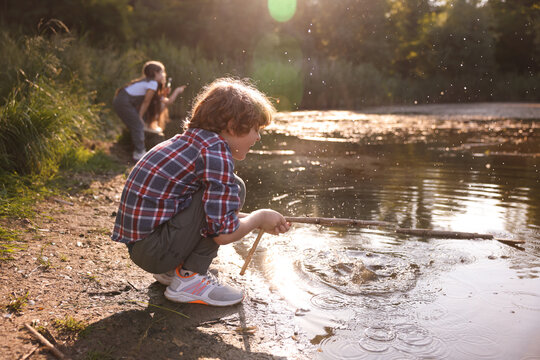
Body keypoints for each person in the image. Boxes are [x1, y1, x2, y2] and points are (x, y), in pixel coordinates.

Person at [111, 78, 291, 306]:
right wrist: (261, 217)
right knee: (235, 187)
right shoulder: (215, 152)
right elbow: (222, 233)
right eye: (255, 129)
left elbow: (205, 211)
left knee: (231, 188)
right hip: (154, 250)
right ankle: (189, 280)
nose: (258, 137)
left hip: (143, 246)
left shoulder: (191, 142)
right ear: (232, 125)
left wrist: (257, 221)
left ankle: (174, 271)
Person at [113, 60, 186, 161]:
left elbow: (167, 102)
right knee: (138, 125)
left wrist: (177, 91)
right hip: (123, 103)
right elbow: (146, 102)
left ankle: (137, 150)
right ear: (155, 73)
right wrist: (139, 116)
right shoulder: (152, 84)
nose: (164, 75)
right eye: (162, 72)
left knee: (137, 125)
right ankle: (139, 153)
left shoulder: (150, 84)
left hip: (122, 102)